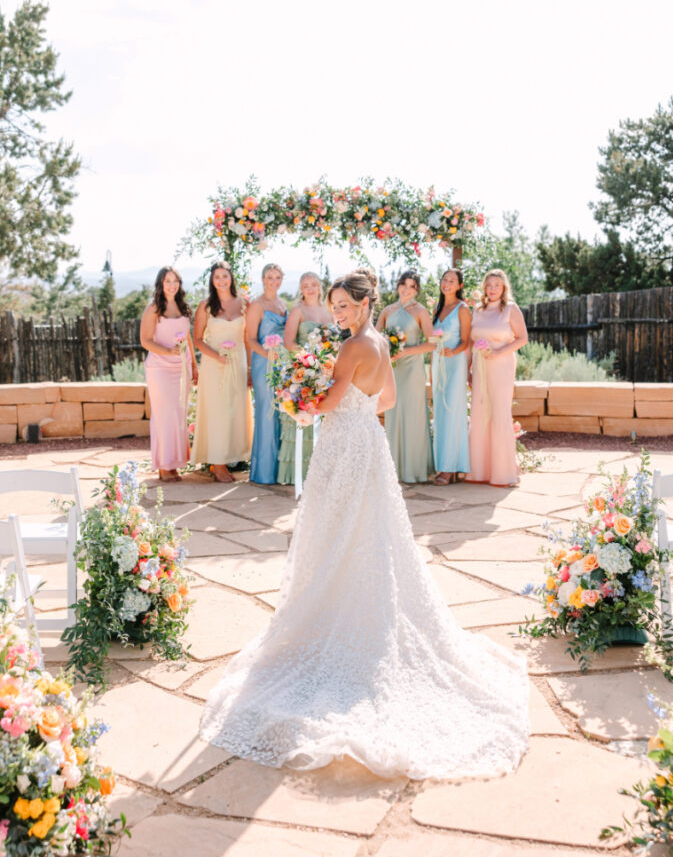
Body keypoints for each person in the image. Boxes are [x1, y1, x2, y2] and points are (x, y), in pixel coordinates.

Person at [200, 268, 529, 781]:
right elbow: (391, 401)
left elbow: (329, 402)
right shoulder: (377, 341)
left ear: (364, 303)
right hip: (368, 444)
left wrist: (298, 401)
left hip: (343, 445)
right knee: (368, 535)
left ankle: (339, 615)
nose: (337, 313)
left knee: (336, 533)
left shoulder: (353, 347)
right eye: (333, 305)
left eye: (344, 306)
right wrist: (343, 405)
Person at [190, 261, 253, 482]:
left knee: (235, 411)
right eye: (217, 277)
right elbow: (197, 340)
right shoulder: (205, 306)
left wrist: (249, 369)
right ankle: (217, 465)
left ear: (231, 278)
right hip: (213, 365)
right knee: (217, 412)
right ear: (212, 280)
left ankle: (231, 458)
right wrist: (216, 356)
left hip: (237, 364)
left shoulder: (245, 304)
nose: (221, 280)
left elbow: (247, 339)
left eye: (224, 276)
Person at [466, 268, 528, 487]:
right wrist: (468, 368)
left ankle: (502, 472)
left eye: (497, 285)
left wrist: (498, 353)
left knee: (500, 412)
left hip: (501, 366)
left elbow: (522, 338)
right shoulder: (478, 309)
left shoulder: (510, 309)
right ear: (484, 287)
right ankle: (480, 471)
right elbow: (471, 342)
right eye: (489, 285)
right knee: (480, 412)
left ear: (503, 288)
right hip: (480, 367)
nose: (492, 289)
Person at [375, 270, 434, 483]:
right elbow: (375, 338)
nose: (406, 289)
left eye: (411, 286)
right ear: (398, 285)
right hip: (391, 368)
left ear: (417, 289)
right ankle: (393, 469)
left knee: (412, 415)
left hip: (412, 369)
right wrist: (386, 351)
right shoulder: (387, 310)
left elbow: (432, 343)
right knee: (392, 412)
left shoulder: (420, 311)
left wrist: (405, 351)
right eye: (403, 284)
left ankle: (414, 469)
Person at [140, 266, 197, 483]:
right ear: (160, 284)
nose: (172, 285)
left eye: (175, 281)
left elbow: (188, 339)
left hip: (182, 368)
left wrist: (194, 365)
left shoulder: (184, 308)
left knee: (178, 416)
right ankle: (164, 466)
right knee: (164, 416)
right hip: (160, 368)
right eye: (167, 281)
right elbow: (145, 340)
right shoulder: (153, 309)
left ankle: (175, 464)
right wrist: (167, 351)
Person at [277, 272, 332, 486]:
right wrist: (309, 360)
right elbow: (289, 342)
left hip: (325, 371)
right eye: (305, 285)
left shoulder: (328, 310)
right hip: (303, 369)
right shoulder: (298, 311)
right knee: (303, 414)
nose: (309, 288)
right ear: (301, 289)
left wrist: (326, 362)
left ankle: (321, 472)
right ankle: (297, 473)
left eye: (313, 284)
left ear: (319, 287)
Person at [246, 262, 287, 484]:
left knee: (281, 414)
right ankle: (263, 472)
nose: (273, 281)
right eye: (270, 277)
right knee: (266, 413)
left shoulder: (283, 304)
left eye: (277, 277)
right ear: (263, 279)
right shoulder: (256, 305)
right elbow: (250, 339)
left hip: (281, 366)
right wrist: (267, 355)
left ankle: (280, 471)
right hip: (264, 364)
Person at [431, 269, 471, 484]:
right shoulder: (438, 308)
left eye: (452, 281)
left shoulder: (462, 309)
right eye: (444, 280)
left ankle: (449, 468)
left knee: (452, 412)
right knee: (439, 413)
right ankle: (441, 463)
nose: (446, 283)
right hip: (438, 363)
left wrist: (453, 352)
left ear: (459, 286)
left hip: (455, 364)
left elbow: (467, 340)